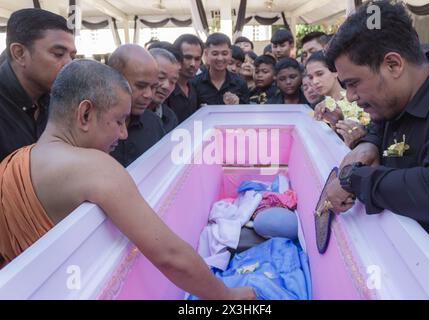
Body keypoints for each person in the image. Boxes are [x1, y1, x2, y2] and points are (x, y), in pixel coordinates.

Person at [0, 59, 256, 300]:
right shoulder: (95, 167)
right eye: (119, 120)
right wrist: (228, 296)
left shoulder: (12, 162)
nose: (123, 133)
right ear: (85, 114)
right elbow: (169, 255)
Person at [324, 0, 429, 254]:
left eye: (353, 83)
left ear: (393, 64)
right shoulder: (401, 93)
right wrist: (369, 142)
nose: (349, 97)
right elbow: (382, 121)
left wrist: (353, 179)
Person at [0, 8, 76, 162]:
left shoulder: (61, 99)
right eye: (59, 54)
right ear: (19, 53)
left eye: (72, 56)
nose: (69, 64)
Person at [108, 44, 164, 167]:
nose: (149, 95)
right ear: (113, 79)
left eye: (154, 87)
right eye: (140, 86)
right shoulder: (91, 127)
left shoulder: (154, 123)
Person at [192, 33, 250, 105]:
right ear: (206, 54)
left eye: (224, 53)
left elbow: (246, 112)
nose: (220, 58)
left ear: (230, 54)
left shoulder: (240, 83)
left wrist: (237, 105)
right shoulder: (194, 83)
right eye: (215, 54)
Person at [166, 34, 203, 123]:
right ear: (176, 57)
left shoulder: (194, 88)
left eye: (197, 59)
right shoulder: (165, 90)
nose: (193, 64)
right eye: (188, 57)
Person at [148, 48, 180, 133]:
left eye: (173, 82)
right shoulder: (126, 114)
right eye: (161, 77)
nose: (166, 86)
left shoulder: (170, 117)